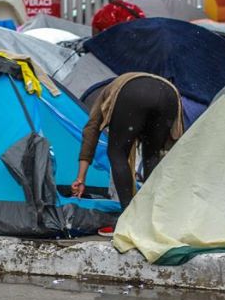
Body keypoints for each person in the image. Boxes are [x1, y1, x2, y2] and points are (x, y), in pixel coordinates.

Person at [72, 73, 184, 236]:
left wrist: (80, 178)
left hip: (133, 95)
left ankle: (127, 218)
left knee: (117, 152)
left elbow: (91, 132)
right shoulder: (146, 81)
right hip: (169, 94)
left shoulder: (107, 96)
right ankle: (153, 217)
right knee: (152, 155)